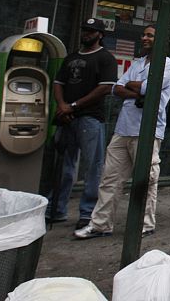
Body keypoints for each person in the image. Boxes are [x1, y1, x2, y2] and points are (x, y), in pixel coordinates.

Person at [73, 25, 170, 239]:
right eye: (144, 34)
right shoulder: (137, 63)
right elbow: (116, 88)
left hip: (147, 129)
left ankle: (144, 224)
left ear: (161, 39)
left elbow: (151, 89)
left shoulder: (166, 65)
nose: (144, 38)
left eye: (150, 35)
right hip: (123, 129)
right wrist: (135, 88)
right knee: (109, 178)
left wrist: (134, 87)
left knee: (146, 179)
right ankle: (101, 224)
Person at [48, 17, 117, 230]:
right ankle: (56, 209)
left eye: (91, 31)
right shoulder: (71, 58)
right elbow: (58, 83)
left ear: (100, 35)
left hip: (90, 118)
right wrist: (63, 106)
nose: (87, 33)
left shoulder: (105, 58)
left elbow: (105, 87)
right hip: (66, 118)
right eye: (85, 30)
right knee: (63, 166)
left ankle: (87, 213)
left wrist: (74, 105)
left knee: (93, 167)